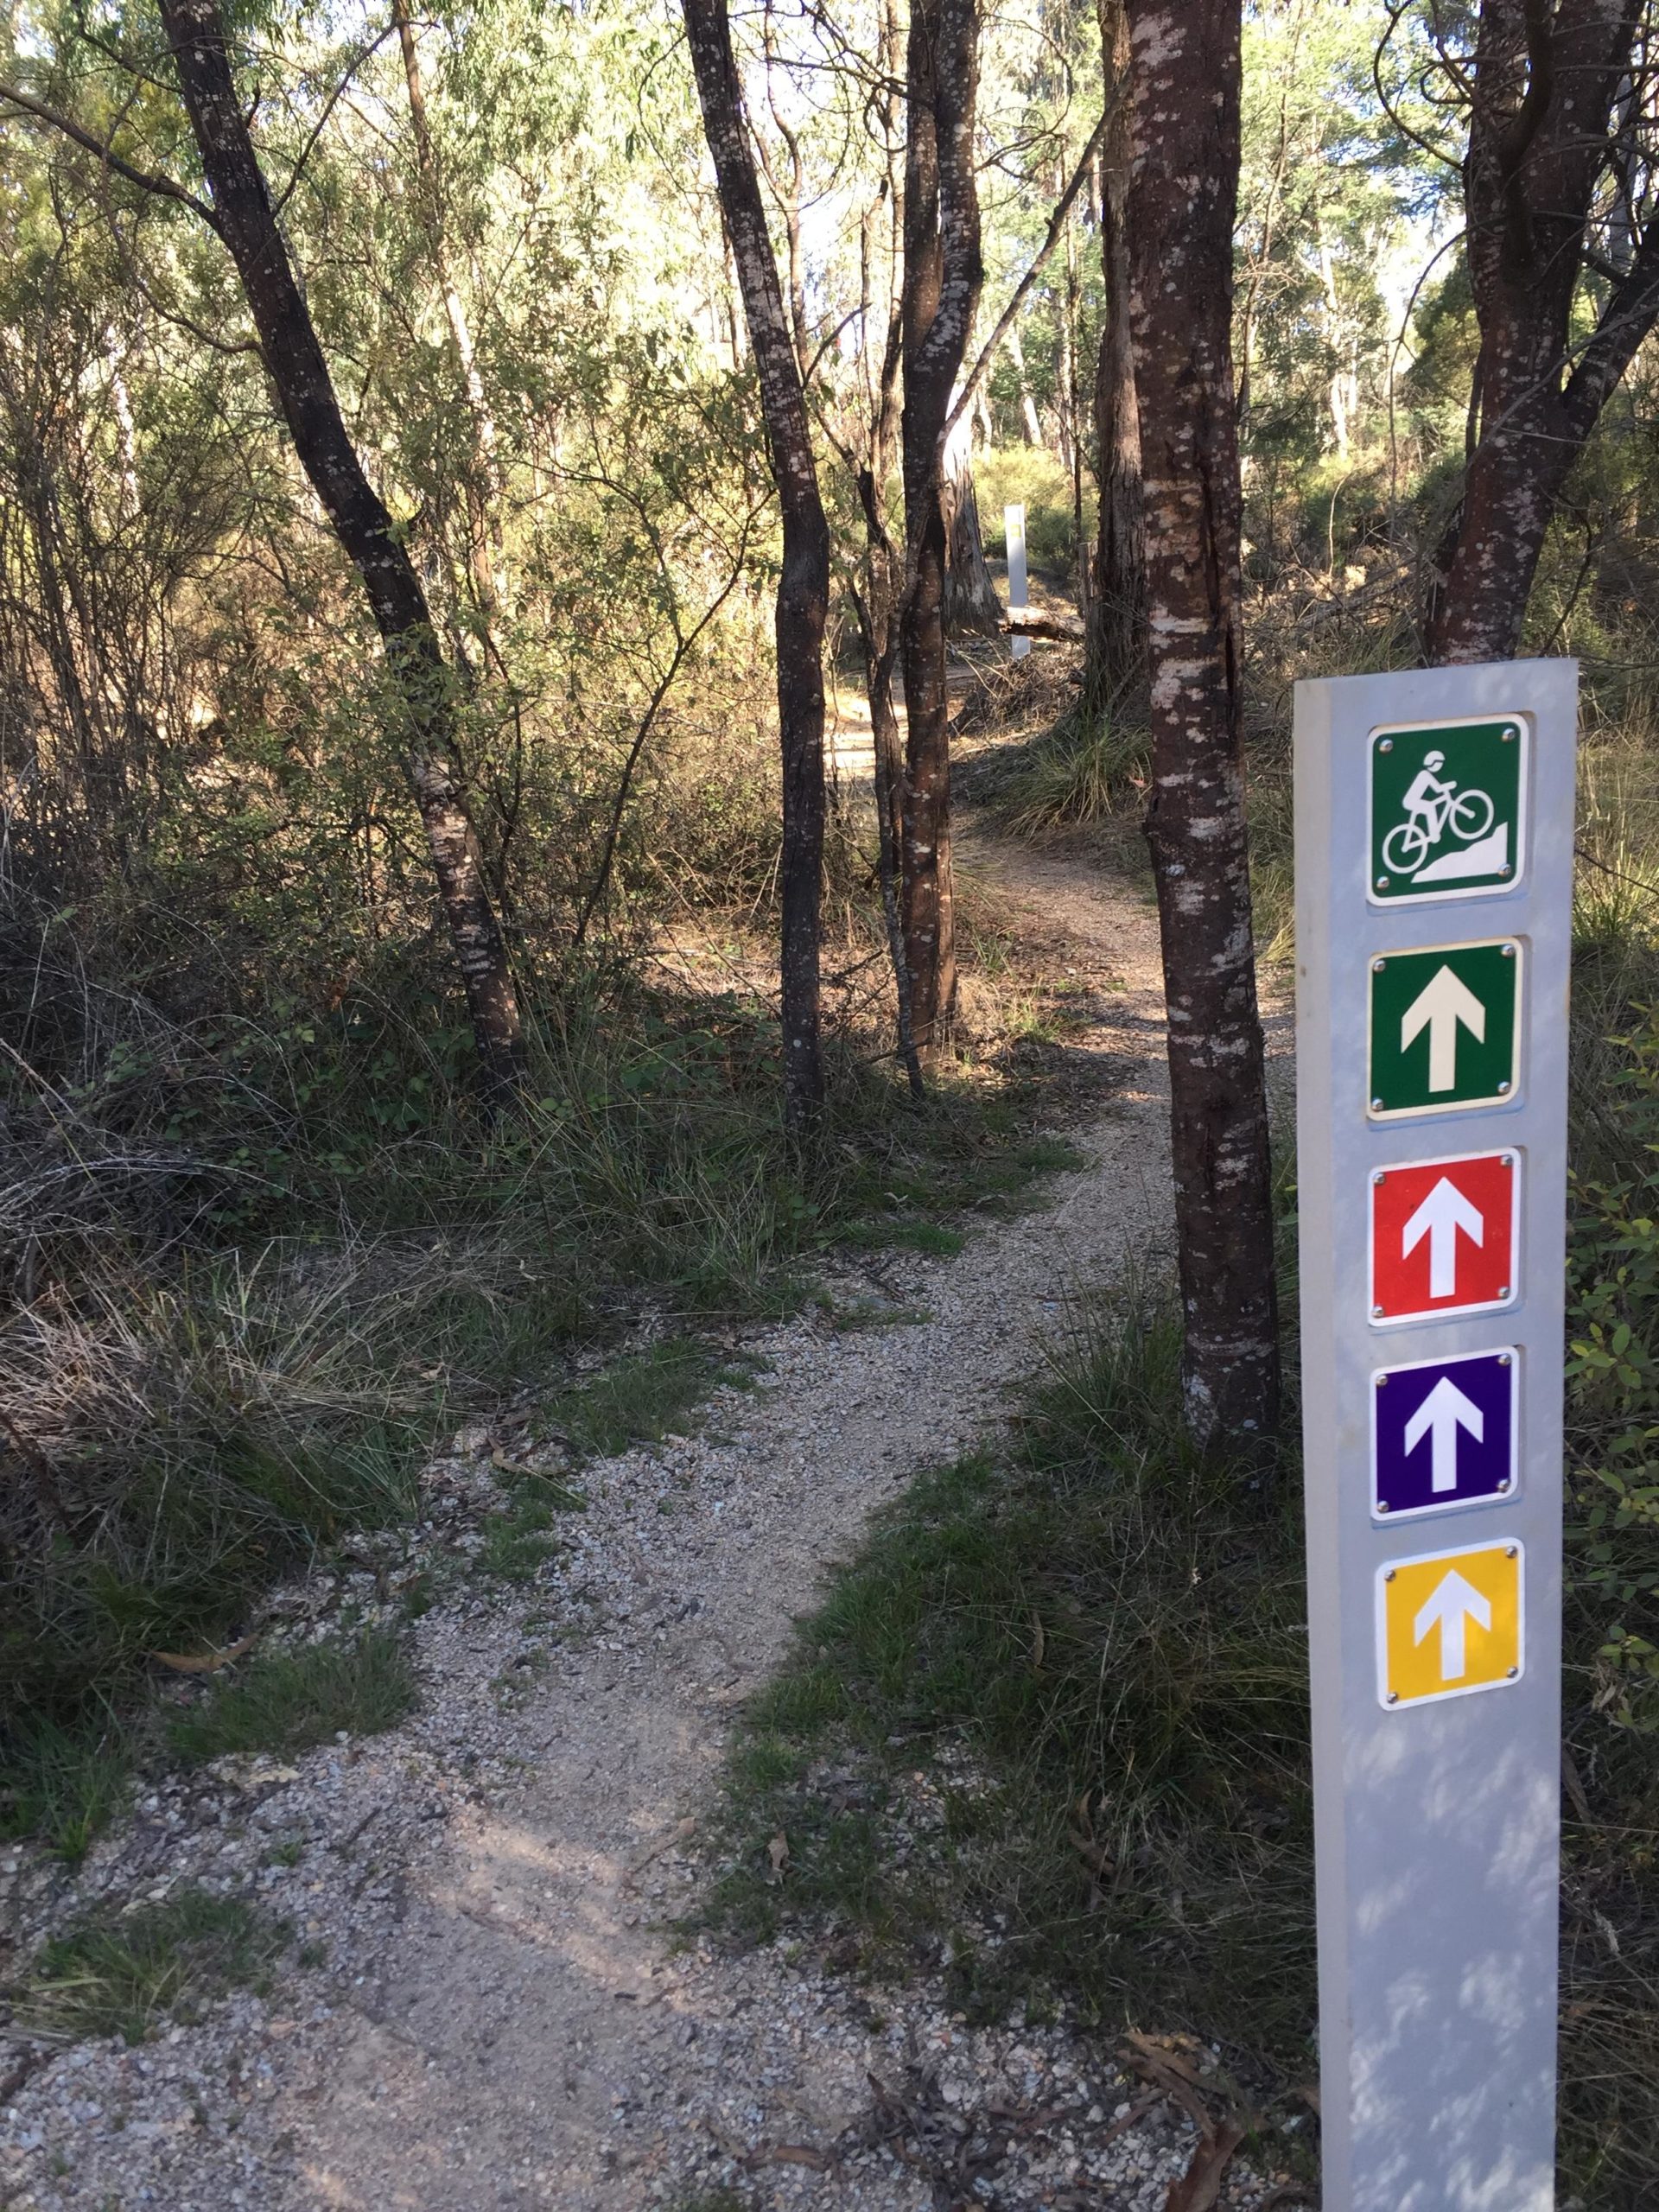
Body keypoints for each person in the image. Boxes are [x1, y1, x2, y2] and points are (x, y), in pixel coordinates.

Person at [1400, 749, 1455, 849]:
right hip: (1411, 801)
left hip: (1412, 800)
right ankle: (1434, 835)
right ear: (1434, 763)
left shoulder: (1425, 774)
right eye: (1440, 763)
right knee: (1430, 807)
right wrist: (1450, 785)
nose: (1441, 766)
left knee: (1430, 805)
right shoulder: (1425, 774)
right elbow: (1437, 789)